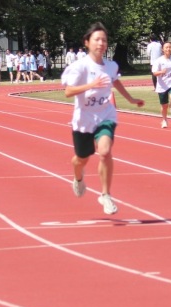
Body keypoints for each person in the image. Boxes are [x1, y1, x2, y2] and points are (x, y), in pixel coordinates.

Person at [62, 22, 145, 215]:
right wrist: (91, 84)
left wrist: (130, 99)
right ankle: (78, 177)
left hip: (105, 115)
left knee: (105, 152)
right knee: (81, 159)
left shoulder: (111, 66)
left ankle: (105, 194)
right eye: (97, 39)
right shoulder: (80, 67)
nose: (101, 43)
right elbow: (68, 91)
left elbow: (115, 81)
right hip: (84, 119)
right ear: (87, 42)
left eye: (104, 40)